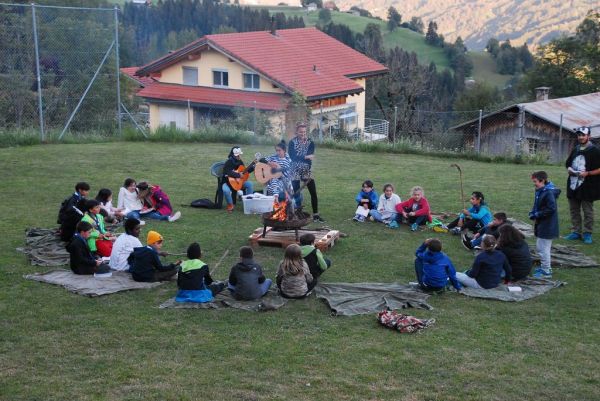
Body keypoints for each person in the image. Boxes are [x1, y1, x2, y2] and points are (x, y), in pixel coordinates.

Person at [564, 126, 600, 244]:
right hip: (573, 185)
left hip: (588, 187)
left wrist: (588, 173)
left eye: (583, 135)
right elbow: (568, 164)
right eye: (579, 135)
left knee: (587, 211)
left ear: (588, 136)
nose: (580, 137)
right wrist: (569, 169)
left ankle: (587, 234)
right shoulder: (576, 149)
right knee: (574, 210)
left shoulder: (594, 150)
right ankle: (576, 232)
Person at [289, 122, 324, 222]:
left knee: (313, 192)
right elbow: (292, 157)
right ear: (297, 132)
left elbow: (310, 158)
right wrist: (305, 157)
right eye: (301, 132)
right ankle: (299, 213)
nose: (303, 134)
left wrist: (303, 158)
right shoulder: (292, 142)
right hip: (294, 169)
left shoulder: (310, 143)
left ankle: (316, 215)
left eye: (304, 132)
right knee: (296, 193)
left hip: (306, 170)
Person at [529, 171, 561, 279]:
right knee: (540, 247)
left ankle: (546, 271)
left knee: (543, 248)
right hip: (542, 223)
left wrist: (538, 214)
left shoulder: (548, 192)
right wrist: (533, 212)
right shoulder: (540, 190)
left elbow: (551, 208)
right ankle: (545, 267)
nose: (534, 184)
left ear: (542, 180)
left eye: (535, 182)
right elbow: (537, 204)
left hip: (548, 225)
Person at [222, 146, 255, 212]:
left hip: (239, 182)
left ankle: (248, 203)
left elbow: (244, 171)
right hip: (227, 182)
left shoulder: (240, 161)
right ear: (233, 155)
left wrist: (253, 167)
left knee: (249, 184)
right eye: (237, 155)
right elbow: (227, 172)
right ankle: (230, 205)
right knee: (226, 190)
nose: (239, 156)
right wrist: (238, 175)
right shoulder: (228, 162)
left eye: (239, 154)